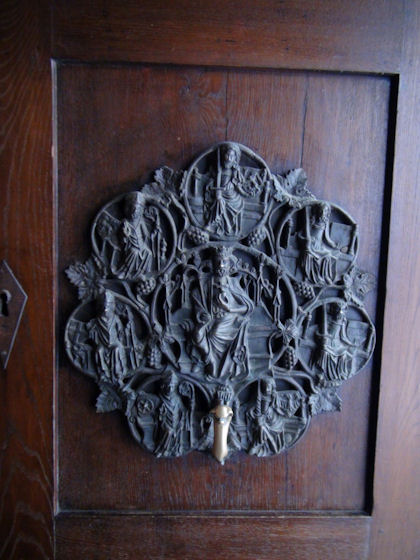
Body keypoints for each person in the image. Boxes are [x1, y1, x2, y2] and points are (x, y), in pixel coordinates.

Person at [190, 247, 254, 379]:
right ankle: (208, 360)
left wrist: (230, 309)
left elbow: (248, 307)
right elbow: (197, 299)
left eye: (224, 262)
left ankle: (219, 366)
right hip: (210, 319)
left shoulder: (232, 283)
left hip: (230, 320)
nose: (221, 265)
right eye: (218, 262)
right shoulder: (205, 284)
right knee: (198, 334)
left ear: (229, 265)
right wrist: (203, 315)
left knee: (214, 332)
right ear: (212, 263)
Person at [87, 291, 127, 384]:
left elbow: (120, 329)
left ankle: (118, 373)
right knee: (99, 351)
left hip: (114, 342)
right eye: (104, 305)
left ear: (112, 306)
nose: (105, 308)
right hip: (103, 343)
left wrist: (122, 332)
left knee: (117, 350)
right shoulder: (97, 320)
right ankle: (103, 373)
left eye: (108, 305)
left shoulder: (115, 318)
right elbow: (91, 329)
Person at [117, 192, 152, 279]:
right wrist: (125, 235)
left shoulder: (140, 221)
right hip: (131, 244)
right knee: (134, 253)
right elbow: (123, 236)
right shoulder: (126, 222)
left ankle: (142, 272)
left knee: (149, 253)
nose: (135, 212)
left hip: (141, 243)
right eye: (133, 209)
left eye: (137, 210)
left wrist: (151, 235)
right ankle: (126, 271)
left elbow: (145, 233)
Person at [301, 202, 338, 284]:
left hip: (320, 246)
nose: (323, 212)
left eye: (325, 211)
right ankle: (314, 277)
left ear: (327, 212)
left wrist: (333, 245)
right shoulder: (312, 221)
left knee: (328, 255)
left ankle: (325, 276)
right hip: (311, 245)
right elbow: (301, 234)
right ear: (318, 211)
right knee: (311, 256)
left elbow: (326, 238)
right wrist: (308, 240)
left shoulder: (325, 223)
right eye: (321, 210)